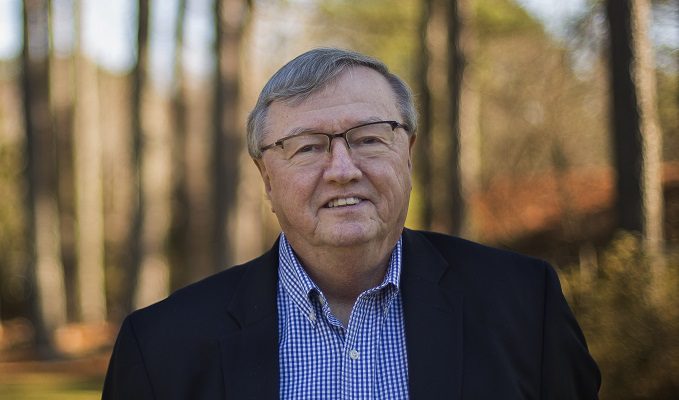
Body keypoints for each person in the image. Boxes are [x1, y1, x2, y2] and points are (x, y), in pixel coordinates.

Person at [102, 48, 600, 399]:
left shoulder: (524, 305)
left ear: (407, 154)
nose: (343, 169)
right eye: (308, 147)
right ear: (266, 177)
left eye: (368, 138)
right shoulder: (160, 347)